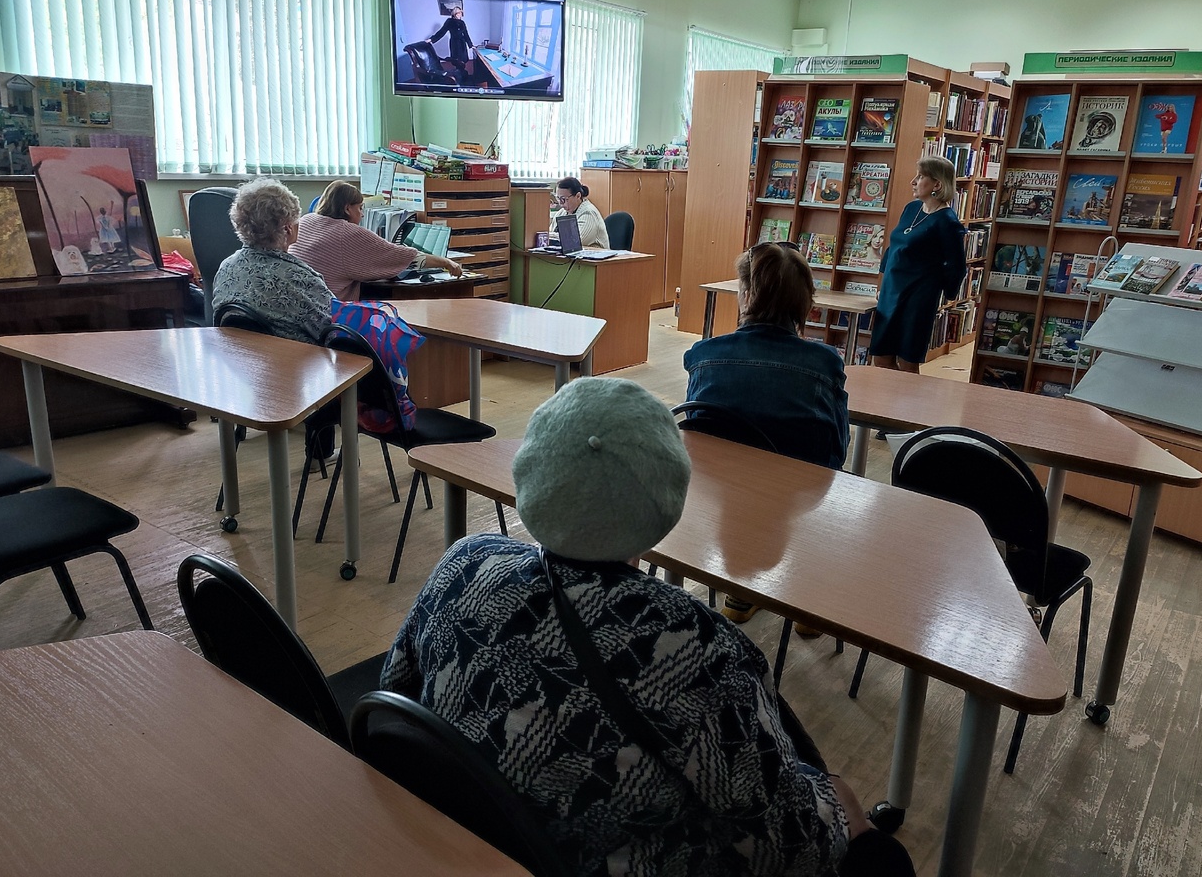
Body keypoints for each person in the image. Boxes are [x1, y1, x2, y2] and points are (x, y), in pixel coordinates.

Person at [381, 377, 913, 877]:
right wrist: (842, 812)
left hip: (459, 841)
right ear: (668, 497)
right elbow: (790, 847)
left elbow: (394, 695)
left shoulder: (465, 561)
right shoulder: (695, 650)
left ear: (532, 471)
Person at [682, 240, 848, 625]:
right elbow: (836, 450)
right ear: (805, 302)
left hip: (716, 492)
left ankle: (739, 594)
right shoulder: (825, 363)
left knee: (740, 470)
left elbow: (694, 433)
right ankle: (806, 603)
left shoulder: (703, 355)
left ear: (744, 294)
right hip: (799, 495)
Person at [870, 156, 967, 374]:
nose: (913, 181)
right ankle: (884, 406)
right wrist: (882, 284)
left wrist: (940, 291)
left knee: (907, 362)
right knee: (881, 359)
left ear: (937, 184)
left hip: (917, 299)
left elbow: (957, 266)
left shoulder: (947, 222)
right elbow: (893, 247)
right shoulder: (911, 208)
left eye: (920, 176)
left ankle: (904, 408)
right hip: (890, 293)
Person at [290, 180, 461, 301]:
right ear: (347, 208)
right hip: (330, 311)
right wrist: (446, 263)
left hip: (301, 303)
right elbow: (405, 257)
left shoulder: (306, 220)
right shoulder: (347, 233)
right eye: (360, 208)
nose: (362, 214)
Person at [212, 177, 332, 344]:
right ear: (288, 227)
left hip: (239, 363)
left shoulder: (226, 267)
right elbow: (335, 332)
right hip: (296, 365)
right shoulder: (300, 278)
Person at [551, 176, 610, 248]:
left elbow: (576, 241)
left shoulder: (588, 213)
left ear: (578, 196)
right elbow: (550, 234)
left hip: (593, 257)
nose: (560, 203)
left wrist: (554, 236)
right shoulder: (562, 212)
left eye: (563, 199)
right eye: (558, 198)